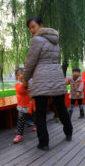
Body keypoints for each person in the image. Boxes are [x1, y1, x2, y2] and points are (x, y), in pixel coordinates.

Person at [23, 16, 73, 151]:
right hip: (57, 77)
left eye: (33, 26)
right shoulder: (56, 41)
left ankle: (44, 143)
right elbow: (57, 60)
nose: (32, 30)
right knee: (61, 108)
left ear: (41, 25)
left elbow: (30, 62)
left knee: (40, 113)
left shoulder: (36, 40)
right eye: (29, 28)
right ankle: (68, 132)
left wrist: (25, 79)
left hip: (41, 80)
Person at [13, 68, 36, 143]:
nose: (21, 75)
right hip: (22, 105)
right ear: (16, 77)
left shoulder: (30, 82)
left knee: (34, 116)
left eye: (22, 73)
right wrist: (25, 83)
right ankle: (19, 134)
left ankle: (37, 125)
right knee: (21, 119)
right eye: (18, 74)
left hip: (31, 104)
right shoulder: (17, 85)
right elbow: (21, 90)